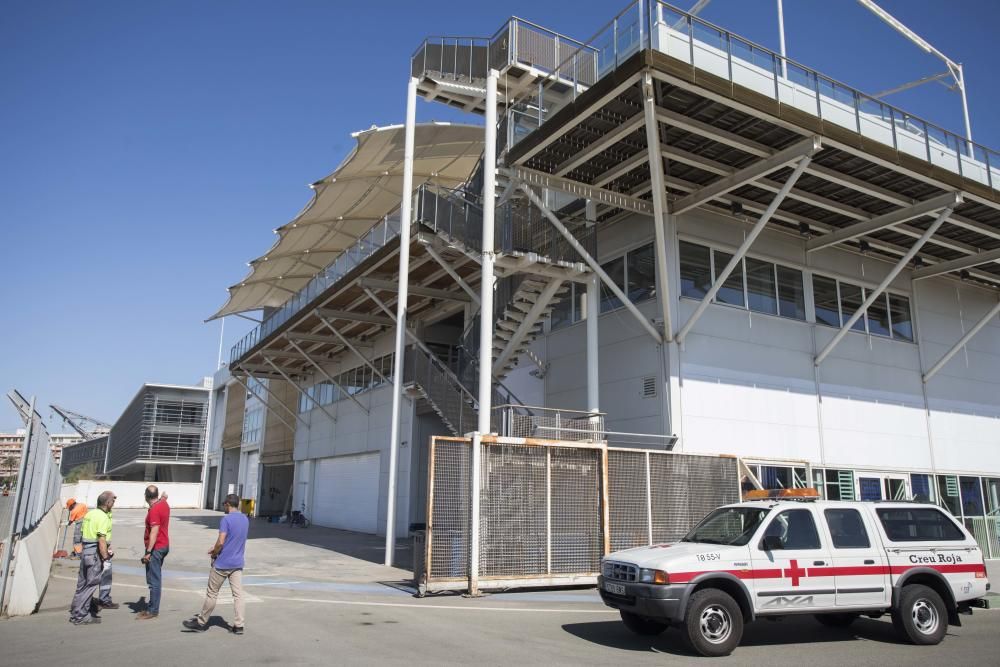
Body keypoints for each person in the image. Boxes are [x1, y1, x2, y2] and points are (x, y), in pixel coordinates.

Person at [182, 494, 248, 634]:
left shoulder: (226, 519)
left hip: (223, 563)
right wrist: (217, 546)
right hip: (237, 563)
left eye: (224, 504)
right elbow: (234, 539)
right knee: (238, 595)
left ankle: (201, 622)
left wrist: (214, 553)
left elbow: (222, 541)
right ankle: (239, 625)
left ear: (228, 505)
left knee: (212, 593)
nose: (224, 506)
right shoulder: (245, 519)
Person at [69, 491, 115, 625]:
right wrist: (105, 557)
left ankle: (76, 611)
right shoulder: (103, 517)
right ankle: (81, 616)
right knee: (91, 585)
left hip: (85, 553)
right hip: (94, 555)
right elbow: (101, 540)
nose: (114, 503)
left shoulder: (89, 514)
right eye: (112, 501)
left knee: (81, 585)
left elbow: (84, 534)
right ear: (107, 503)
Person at [137, 484, 170, 620]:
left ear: (146, 496)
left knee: (153, 580)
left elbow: (154, 531)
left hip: (156, 548)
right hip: (164, 545)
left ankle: (153, 610)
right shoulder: (163, 504)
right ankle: (152, 606)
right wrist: (163, 497)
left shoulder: (155, 510)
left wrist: (148, 552)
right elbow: (164, 499)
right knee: (154, 578)